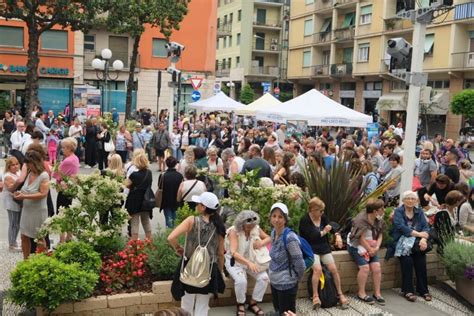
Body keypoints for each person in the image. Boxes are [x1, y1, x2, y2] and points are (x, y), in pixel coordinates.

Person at [168, 192, 226, 316]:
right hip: (209, 268)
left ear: (204, 207)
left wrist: (178, 248)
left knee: (186, 302)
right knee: (203, 304)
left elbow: (171, 237)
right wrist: (220, 270)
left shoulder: (191, 221)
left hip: (189, 264)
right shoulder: (219, 226)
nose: (196, 205)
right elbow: (220, 253)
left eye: (198, 203)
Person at [299, 197, 349, 310]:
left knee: (333, 269)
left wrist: (337, 235)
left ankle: (340, 293)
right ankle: (315, 296)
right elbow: (312, 236)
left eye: (322, 211)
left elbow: (333, 225)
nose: (322, 213)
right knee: (318, 270)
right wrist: (324, 231)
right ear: (312, 209)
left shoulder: (323, 217)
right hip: (310, 248)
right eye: (320, 211)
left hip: (323, 247)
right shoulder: (305, 220)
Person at [387, 191, 432, 302]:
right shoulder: (398, 211)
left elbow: (426, 227)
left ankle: (423, 290)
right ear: (403, 200)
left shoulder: (419, 211)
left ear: (416, 201)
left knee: (421, 261)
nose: (410, 200)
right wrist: (420, 234)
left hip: (416, 243)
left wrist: (423, 239)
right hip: (402, 243)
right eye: (408, 198)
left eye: (413, 198)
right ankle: (408, 291)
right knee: (407, 261)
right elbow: (402, 228)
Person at [225, 210, 270, 316]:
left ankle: (253, 303)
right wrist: (248, 263)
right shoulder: (233, 231)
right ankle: (240, 304)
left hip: (252, 260)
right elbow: (234, 253)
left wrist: (261, 243)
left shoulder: (256, 228)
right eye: (249, 225)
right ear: (242, 223)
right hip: (235, 262)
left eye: (253, 224)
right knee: (241, 281)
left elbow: (269, 237)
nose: (251, 227)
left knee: (264, 278)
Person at [348, 198, 386, 305]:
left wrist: (376, 248)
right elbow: (360, 238)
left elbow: (380, 235)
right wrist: (370, 250)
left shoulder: (379, 220)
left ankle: (377, 293)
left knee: (376, 268)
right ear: (374, 211)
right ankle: (361, 293)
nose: (384, 210)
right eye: (382, 209)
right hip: (357, 246)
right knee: (365, 268)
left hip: (372, 246)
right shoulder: (361, 220)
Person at [269, 202, 305, 315]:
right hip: (275, 282)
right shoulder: (273, 232)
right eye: (274, 216)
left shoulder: (290, 238)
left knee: (286, 313)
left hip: (286, 285)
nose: (276, 219)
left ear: (285, 219)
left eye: (280, 216)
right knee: (278, 311)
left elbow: (300, 264)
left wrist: (294, 279)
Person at [15, 151, 49, 259]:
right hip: (27, 210)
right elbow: (26, 190)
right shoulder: (30, 173)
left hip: (38, 211)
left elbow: (43, 194)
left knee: (39, 238)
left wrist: (24, 196)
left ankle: (43, 261)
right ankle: (26, 261)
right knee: (24, 236)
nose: (28, 165)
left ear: (36, 163)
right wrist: (20, 193)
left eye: (29, 163)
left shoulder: (44, 175)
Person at [52, 137, 80, 243]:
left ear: (68, 148)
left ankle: (62, 239)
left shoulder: (67, 161)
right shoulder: (75, 158)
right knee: (68, 213)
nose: (62, 150)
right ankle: (69, 236)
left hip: (64, 189)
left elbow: (56, 175)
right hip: (71, 189)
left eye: (63, 148)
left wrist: (56, 167)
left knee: (61, 214)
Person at [125, 152, 153, 240]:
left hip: (135, 200)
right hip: (146, 199)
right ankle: (149, 241)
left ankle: (134, 245)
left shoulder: (134, 175)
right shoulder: (149, 173)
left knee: (134, 223)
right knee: (146, 222)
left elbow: (126, 184)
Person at [3, 157, 22, 250]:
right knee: (13, 223)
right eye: (13, 165)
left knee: (17, 223)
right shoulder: (7, 176)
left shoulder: (18, 173)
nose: (15, 166)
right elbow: (11, 188)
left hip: (18, 200)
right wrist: (19, 181)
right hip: (11, 202)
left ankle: (14, 241)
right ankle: (11, 243)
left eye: (17, 164)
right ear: (9, 166)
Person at [160, 156, 184, 228]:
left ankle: (169, 234)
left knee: (169, 220)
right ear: (175, 164)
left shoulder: (163, 176)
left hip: (166, 200)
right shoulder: (179, 176)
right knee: (176, 220)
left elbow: (160, 187)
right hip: (177, 200)